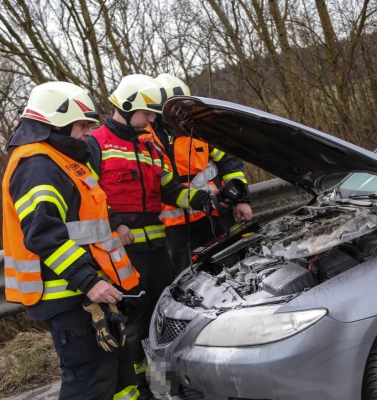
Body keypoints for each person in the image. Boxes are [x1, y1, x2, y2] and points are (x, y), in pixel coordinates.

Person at [2, 81, 140, 400]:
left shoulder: (60, 160)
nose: (85, 134)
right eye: (80, 126)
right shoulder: (37, 166)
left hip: (89, 291)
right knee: (89, 383)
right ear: (58, 121)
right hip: (72, 295)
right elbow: (43, 234)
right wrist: (88, 281)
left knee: (117, 379)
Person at [86, 74, 212, 400]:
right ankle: (141, 388)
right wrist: (114, 221)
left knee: (164, 315)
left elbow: (169, 188)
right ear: (126, 108)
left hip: (156, 247)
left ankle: (166, 384)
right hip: (121, 252)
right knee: (133, 323)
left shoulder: (148, 143)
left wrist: (200, 199)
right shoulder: (95, 143)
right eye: (147, 113)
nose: (152, 119)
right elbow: (87, 195)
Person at [142, 73, 253, 275]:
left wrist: (241, 199)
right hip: (175, 225)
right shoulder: (144, 136)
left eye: (182, 108)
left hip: (216, 212)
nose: (179, 114)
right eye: (173, 110)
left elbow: (231, 163)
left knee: (234, 267)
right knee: (190, 277)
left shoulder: (201, 127)